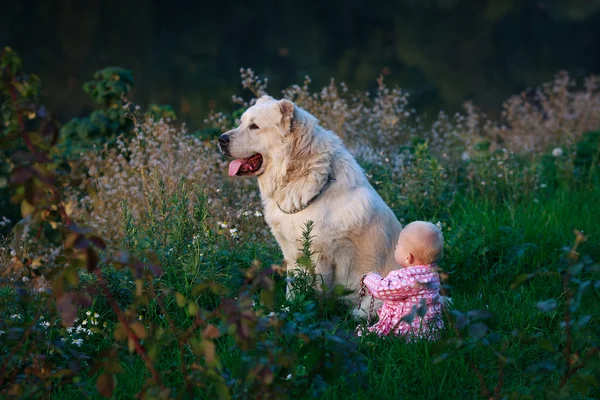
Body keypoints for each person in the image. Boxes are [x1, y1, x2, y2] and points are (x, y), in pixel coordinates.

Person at [358, 221, 445, 340]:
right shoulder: (431, 273)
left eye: (398, 246)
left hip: (408, 331)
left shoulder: (408, 279)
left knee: (362, 335)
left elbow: (382, 289)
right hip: (429, 329)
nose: (396, 247)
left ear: (408, 257)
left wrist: (371, 277)